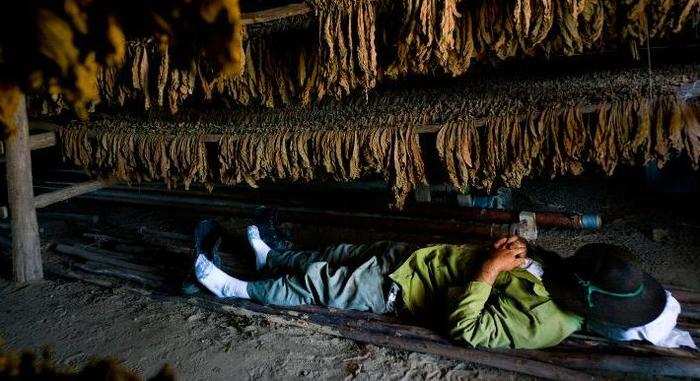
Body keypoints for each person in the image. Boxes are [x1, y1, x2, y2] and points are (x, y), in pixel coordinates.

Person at [192, 219, 696, 350]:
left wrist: (491, 270)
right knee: (334, 254)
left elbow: (469, 329)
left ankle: (236, 288)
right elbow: (531, 265)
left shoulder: (545, 323)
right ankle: (269, 257)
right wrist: (514, 249)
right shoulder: (564, 280)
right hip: (418, 258)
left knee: (316, 285)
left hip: (399, 288)